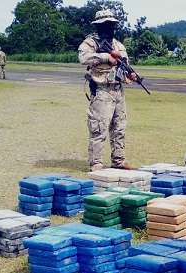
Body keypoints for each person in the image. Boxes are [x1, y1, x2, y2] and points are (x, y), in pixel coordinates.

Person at [78, 9, 138, 171]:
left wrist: (130, 75)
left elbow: (124, 65)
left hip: (118, 90)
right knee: (99, 127)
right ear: (98, 26)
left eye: (111, 24)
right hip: (101, 90)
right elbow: (83, 58)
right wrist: (105, 57)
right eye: (105, 24)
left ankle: (118, 160)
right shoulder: (90, 43)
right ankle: (96, 162)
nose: (109, 27)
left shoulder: (119, 45)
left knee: (119, 127)